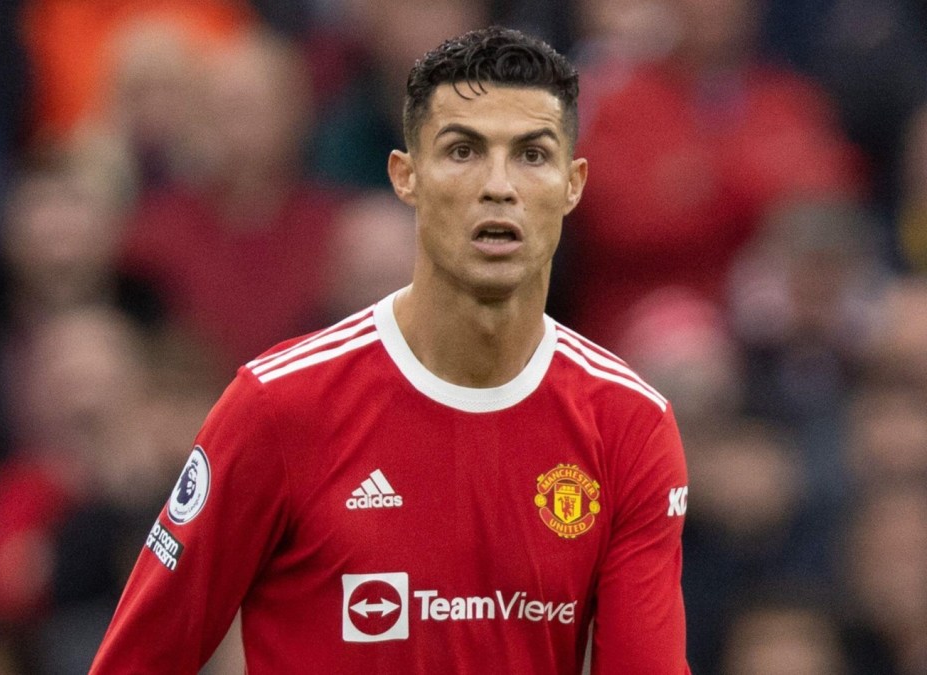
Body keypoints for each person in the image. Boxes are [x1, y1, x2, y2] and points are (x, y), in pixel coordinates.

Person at [90, 26, 691, 673]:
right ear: (406, 177)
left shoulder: (628, 424)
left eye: (531, 155)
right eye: (462, 150)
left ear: (572, 185)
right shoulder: (278, 407)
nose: (498, 185)